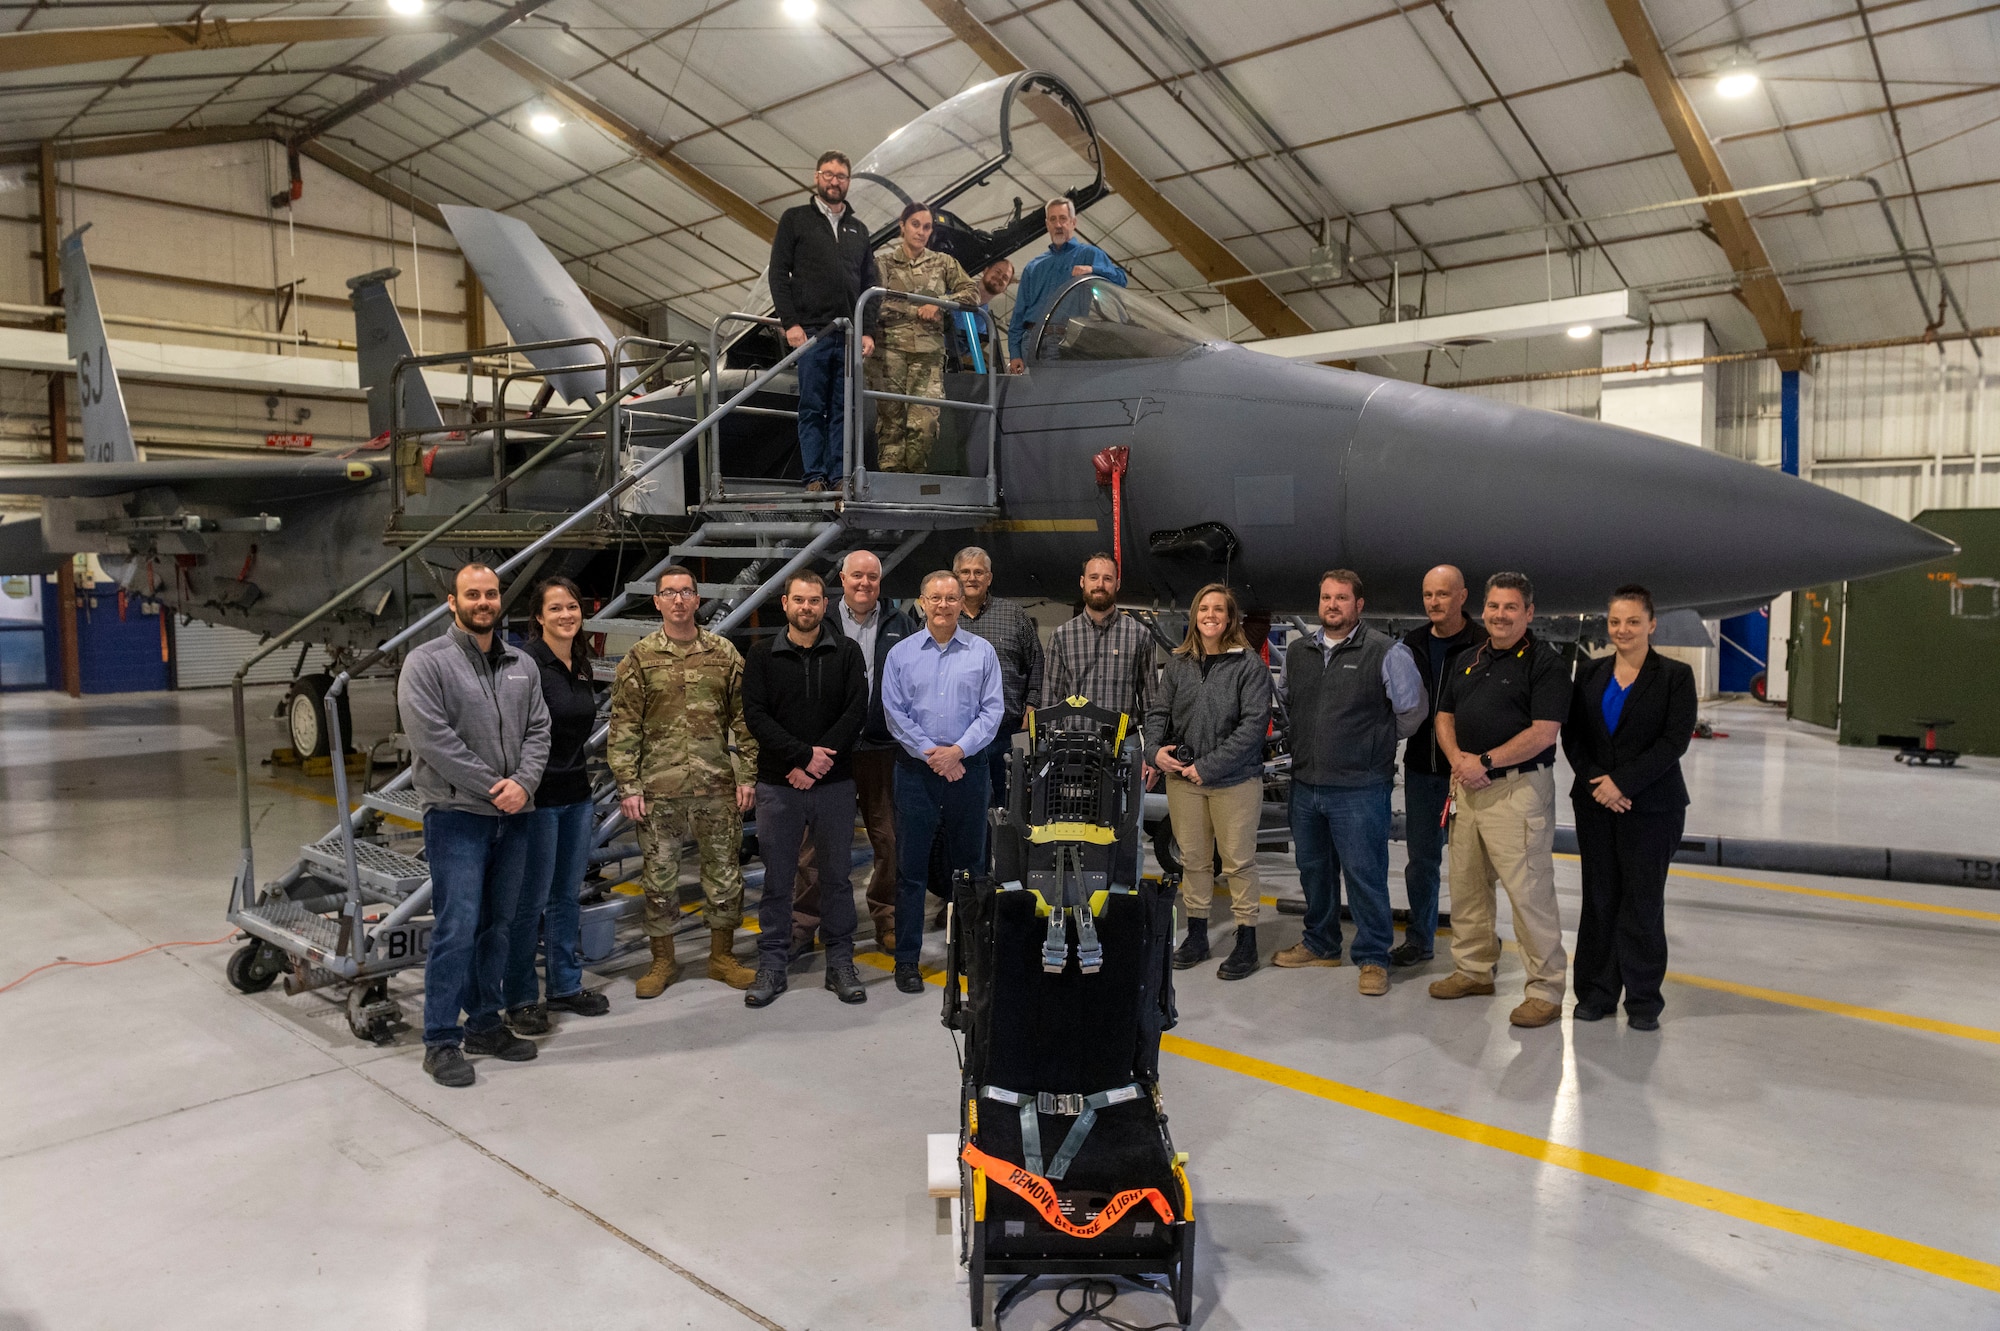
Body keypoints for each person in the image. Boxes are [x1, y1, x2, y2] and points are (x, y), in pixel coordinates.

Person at [400, 564, 550, 1088]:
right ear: (452, 602)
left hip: (515, 816)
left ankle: (485, 1023)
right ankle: (440, 1038)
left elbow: (539, 729)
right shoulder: (426, 664)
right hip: (458, 817)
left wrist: (524, 785)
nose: (483, 602)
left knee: (499, 926)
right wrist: (496, 787)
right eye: (473, 594)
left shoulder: (521, 664)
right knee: (456, 928)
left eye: (490, 593)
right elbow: (433, 740)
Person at [607, 565, 759, 998]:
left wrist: (747, 775)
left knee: (725, 874)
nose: (678, 600)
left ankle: (721, 957)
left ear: (697, 599)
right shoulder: (639, 658)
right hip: (659, 791)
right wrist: (628, 785)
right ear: (656, 601)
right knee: (658, 878)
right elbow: (623, 727)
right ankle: (663, 961)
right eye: (669, 593)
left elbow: (746, 720)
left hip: (716, 787)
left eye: (686, 592)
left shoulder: (723, 653)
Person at [1272, 571, 1426, 996]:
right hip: (1306, 784)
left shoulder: (1386, 652)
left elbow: (1411, 711)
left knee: (1365, 875)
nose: (1332, 605)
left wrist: (1373, 740)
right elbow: (1288, 703)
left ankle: (1374, 957)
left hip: (1360, 788)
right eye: (1325, 598)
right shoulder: (1299, 653)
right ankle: (1321, 944)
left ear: (1359, 605)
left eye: (1341, 598)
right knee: (1314, 871)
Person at [1430, 572, 1572, 1029]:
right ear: (1483, 609)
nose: (1500, 615)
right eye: (1493, 606)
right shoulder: (1468, 658)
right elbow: (1444, 715)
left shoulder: (1545, 663)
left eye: (1511, 607)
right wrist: (1458, 760)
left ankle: (1546, 990)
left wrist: (1484, 761)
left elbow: (1543, 732)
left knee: (1529, 893)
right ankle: (1473, 969)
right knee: (1467, 886)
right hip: (1467, 787)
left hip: (1516, 790)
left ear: (1528, 613)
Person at [1562, 585, 1696, 1031]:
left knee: (1641, 903)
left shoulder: (1675, 676)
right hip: (1597, 805)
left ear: (1651, 625)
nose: (1623, 630)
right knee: (1599, 900)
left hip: (1652, 807)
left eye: (1633, 621)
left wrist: (1623, 782)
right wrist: (1598, 783)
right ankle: (1596, 993)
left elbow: (1673, 741)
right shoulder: (1591, 674)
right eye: (1615, 621)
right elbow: (1574, 737)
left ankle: (1643, 1001)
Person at [741, 570, 870, 1009]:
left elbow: (856, 710)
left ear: (824, 605)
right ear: (785, 604)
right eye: (799, 600)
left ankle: (840, 962)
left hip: (833, 785)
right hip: (779, 787)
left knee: (836, 877)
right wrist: (800, 758)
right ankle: (772, 964)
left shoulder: (847, 653)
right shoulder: (760, 657)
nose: (807, 608)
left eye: (814, 600)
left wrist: (815, 765)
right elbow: (756, 717)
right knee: (778, 879)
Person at [881, 569, 1005, 993]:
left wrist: (958, 752)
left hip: (968, 771)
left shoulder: (982, 652)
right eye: (935, 598)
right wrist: (934, 756)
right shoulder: (901, 654)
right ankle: (907, 960)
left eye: (951, 598)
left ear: (960, 603)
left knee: (971, 868)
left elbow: (992, 712)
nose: (943, 606)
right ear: (921, 602)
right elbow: (895, 714)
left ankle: (971, 954)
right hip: (917, 773)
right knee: (911, 870)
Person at [1145, 583, 1274, 982]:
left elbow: (1253, 727)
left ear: (1231, 617)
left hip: (1234, 781)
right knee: (1194, 860)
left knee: (1238, 862)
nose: (1211, 615)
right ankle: (1197, 935)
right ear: (1194, 616)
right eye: (1204, 609)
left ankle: (1246, 942)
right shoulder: (1180, 663)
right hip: (1183, 781)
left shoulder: (1249, 665)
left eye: (1219, 609)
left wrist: (1210, 766)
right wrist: (1154, 751)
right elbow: (1158, 712)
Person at [794, 549, 919, 955]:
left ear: (880, 583)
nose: (864, 584)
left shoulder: (902, 623)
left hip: (883, 748)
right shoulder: (823, 621)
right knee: (816, 844)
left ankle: (887, 919)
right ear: (843, 580)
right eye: (856, 576)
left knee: (889, 840)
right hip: (831, 749)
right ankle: (804, 925)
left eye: (872, 577)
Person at [504, 576, 613, 1036]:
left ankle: (566, 986)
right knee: (530, 903)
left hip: (576, 795)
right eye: (556, 609)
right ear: (538, 617)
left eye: (572, 606)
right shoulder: (525, 663)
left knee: (566, 897)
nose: (566, 615)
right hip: (537, 799)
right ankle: (521, 997)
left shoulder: (581, 661)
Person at [767, 150, 879, 492]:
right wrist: (791, 323)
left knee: (843, 408)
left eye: (841, 176)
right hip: (813, 332)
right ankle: (814, 475)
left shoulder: (858, 230)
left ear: (848, 182)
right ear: (817, 178)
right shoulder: (795, 219)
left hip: (848, 333)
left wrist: (868, 330)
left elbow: (870, 284)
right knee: (813, 406)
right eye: (828, 174)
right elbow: (778, 273)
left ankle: (839, 476)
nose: (835, 181)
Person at [1394, 565, 1487, 967]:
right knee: (1422, 862)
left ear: (1462, 597)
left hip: (1471, 774)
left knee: (1475, 867)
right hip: (1422, 769)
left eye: (1443, 595)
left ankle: (1480, 948)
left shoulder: (1483, 644)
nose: (1434, 602)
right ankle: (1420, 940)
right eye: (1428, 594)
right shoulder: (1411, 643)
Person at [872, 202, 979, 474]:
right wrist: (915, 308)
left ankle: (914, 478)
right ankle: (892, 485)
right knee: (891, 424)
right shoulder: (882, 263)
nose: (921, 232)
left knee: (926, 424)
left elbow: (971, 292)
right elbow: (872, 302)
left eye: (927, 227)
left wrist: (941, 303)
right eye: (915, 225)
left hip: (928, 355)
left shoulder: (943, 263)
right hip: (889, 353)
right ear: (902, 225)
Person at [953, 545, 1043, 808]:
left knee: (1011, 806)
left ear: (989, 578)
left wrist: (1031, 708)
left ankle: (1003, 851)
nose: (972, 578)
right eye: (965, 572)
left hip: (1008, 731)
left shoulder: (1014, 615)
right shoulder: (944, 616)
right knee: (965, 806)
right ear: (955, 575)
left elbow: (1037, 664)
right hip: (959, 737)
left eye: (979, 572)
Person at [1007, 198, 1128, 373]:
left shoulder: (1089, 254)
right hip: (1031, 341)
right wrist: (1014, 353)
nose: (1058, 224)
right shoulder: (1033, 266)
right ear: (1047, 224)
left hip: (1067, 340)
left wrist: (1092, 269)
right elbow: (1019, 313)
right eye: (1053, 219)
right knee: (1031, 398)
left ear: (1073, 222)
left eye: (1063, 218)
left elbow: (1121, 279)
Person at [1038, 551, 1152, 724]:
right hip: (1074, 744)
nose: (1100, 584)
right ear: (1082, 582)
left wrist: (1153, 747)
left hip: (1125, 745)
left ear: (1117, 584)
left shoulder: (1139, 635)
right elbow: (1050, 702)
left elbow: (1151, 702)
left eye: (1107, 579)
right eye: (1094, 577)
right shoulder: (1061, 637)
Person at [951, 259, 1013, 373]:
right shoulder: (952, 289)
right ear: (985, 270)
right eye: (997, 272)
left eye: (1005, 278)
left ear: (1006, 288)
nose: (999, 278)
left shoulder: (985, 324)